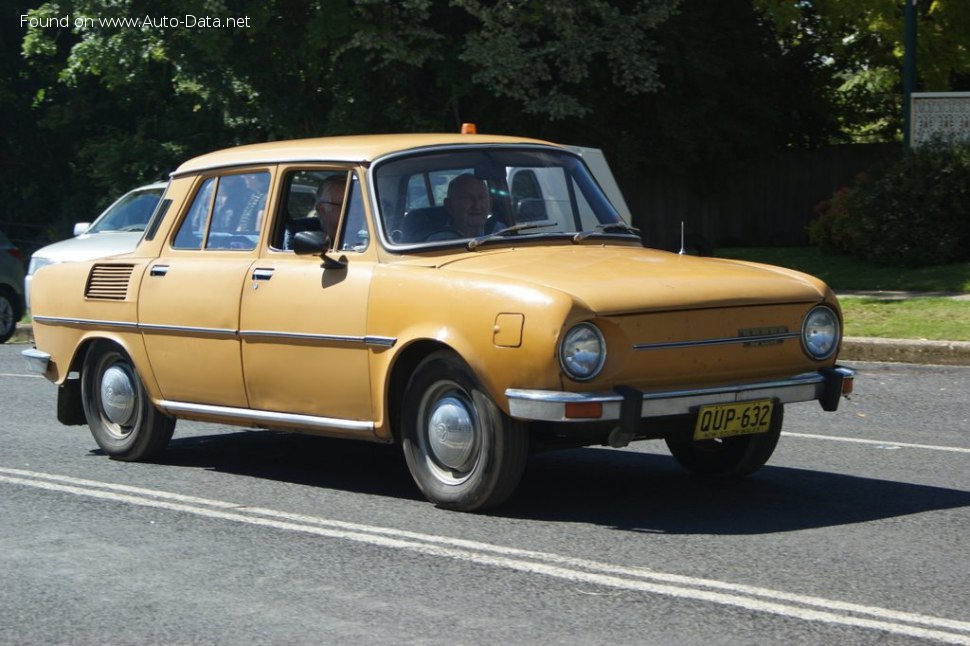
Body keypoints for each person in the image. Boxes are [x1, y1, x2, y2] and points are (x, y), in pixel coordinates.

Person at [435, 174, 490, 239]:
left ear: (490, 203)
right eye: (467, 198)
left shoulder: (501, 231)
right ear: (449, 205)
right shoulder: (437, 242)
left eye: (482, 197)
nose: (477, 205)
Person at [314, 175, 347, 240]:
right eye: (345, 205)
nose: (355, 210)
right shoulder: (310, 241)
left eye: (357, 204)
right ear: (322, 210)